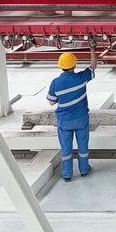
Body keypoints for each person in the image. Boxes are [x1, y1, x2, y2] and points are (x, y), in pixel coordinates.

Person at [47, 45, 97, 182]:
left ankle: (67, 174)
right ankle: (84, 169)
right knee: (83, 145)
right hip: (81, 119)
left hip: (64, 121)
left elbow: (51, 102)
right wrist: (92, 49)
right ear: (75, 65)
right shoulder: (81, 77)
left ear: (60, 66)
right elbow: (93, 67)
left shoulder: (55, 83)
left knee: (66, 148)